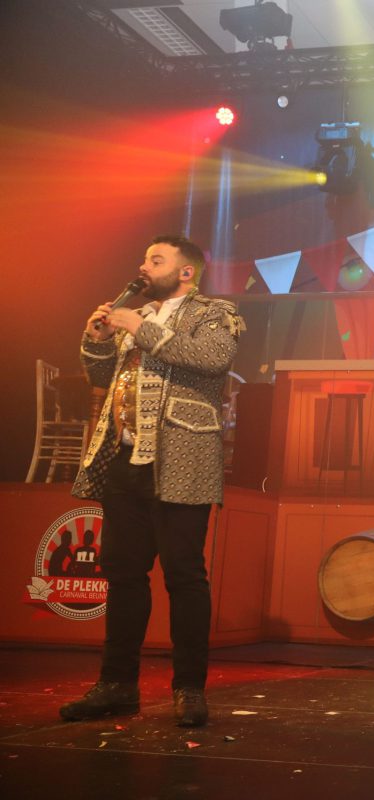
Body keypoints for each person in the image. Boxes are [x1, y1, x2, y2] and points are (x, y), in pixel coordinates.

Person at [59, 235, 242, 729]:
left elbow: (211, 359)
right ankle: (117, 685)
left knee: (184, 575)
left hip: (182, 458)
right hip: (125, 459)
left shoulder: (214, 313)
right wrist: (99, 339)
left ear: (186, 272)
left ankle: (189, 688)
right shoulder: (136, 316)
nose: (144, 267)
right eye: (144, 258)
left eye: (155, 260)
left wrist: (139, 327)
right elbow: (103, 377)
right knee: (122, 574)